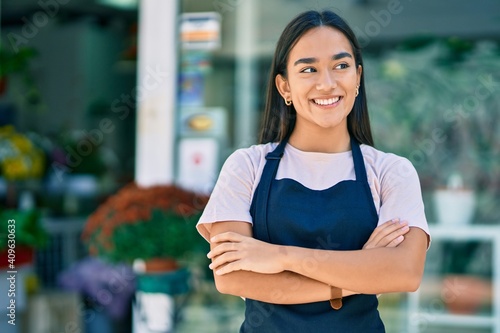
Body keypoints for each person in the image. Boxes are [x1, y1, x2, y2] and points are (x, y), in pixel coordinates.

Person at [197, 9, 430, 332]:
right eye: (308, 69)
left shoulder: (392, 171)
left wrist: (281, 257)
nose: (327, 83)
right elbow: (232, 277)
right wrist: (359, 271)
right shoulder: (246, 166)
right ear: (284, 87)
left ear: (358, 78)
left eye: (341, 66)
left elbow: (404, 272)